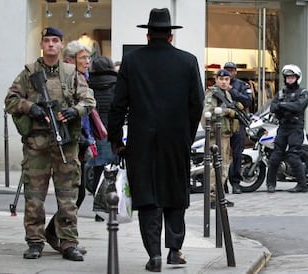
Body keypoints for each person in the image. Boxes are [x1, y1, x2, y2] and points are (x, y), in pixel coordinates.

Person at [107, 8, 204, 272]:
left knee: (148, 196)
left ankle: (154, 255)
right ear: (171, 36)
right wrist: (187, 132)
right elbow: (197, 103)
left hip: (142, 139)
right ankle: (174, 249)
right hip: (176, 139)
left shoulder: (132, 61)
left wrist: (115, 138)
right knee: (175, 191)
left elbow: (118, 105)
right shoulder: (188, 61)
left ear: (148, 35)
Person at [5, 27, 96, 261]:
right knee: (34, 197)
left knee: (68, 197)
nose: (51, 45)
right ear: (42, 45)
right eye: (47, 41)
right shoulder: (29, 73)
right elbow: (11, 100)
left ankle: (68, 242)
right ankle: (35, 241)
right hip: (37, 145)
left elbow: (88, 100)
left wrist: (73, 111)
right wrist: (31, 107)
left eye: (56, 40)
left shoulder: (71, 73)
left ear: (62, 44)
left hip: (65, 145)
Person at [44, 40, 94, 255]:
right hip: (69, 142)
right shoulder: (67, 78)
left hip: (80, 141)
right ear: (70, 60)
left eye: (88, 58)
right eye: (83, 58)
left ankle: (58, 234)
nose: (87, 61)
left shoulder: (83, 79)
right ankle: (59, 235)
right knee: (74, 193)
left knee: (77, 192)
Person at [266, 64, 308, 193]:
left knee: (293, 156)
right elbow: (273, 107)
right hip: (283, 126)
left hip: (295, 128)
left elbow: (299, 107)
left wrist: (283, 105)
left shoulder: (302, 92)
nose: (290, 80)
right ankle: (270, 184)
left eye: (292, 77)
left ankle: (302, 185)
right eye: (288, 77)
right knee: (275, 156)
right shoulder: (281, 93)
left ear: (297, 78)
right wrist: (285, 106)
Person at [202, 69, 238, 208]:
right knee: (216, 166)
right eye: (221, 79)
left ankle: (220, 195)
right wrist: (227, 111)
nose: (224, 82)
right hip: (216, 135)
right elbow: (208, 112)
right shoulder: (212, 94)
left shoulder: (226, 94)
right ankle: (212, 197)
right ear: (216, 80)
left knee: (224, 166)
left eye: (226, 79)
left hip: (225, 134)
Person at [88, 56, 118, 221]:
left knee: (97, 170)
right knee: (111, 170)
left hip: (94, 130)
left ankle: (97, 208)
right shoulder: (117, 83)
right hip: (111, 132)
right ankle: (108, 207)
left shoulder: (88, 83)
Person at [223, 62, 253, 194]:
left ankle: (235, 183)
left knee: (237, 154)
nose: (229, 73)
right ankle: (222, 183)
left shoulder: (242, 85)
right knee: (221, 154)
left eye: (231, 70)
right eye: (227, 70)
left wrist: (231, 90)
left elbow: (248, 100)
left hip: (237, 123)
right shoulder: (219, 85)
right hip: (222, 123)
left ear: (236, 71)